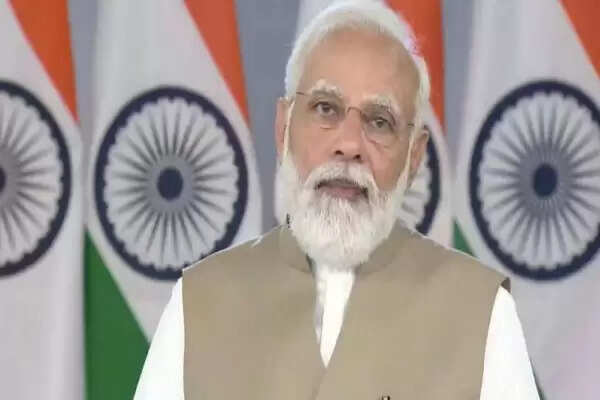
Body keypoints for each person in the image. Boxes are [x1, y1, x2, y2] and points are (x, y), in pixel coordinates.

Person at [134, 1, 540, 399]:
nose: (349, 145)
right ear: (284, 128)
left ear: (414, 156)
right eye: (326, 109)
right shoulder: (199, 302)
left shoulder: (481, 311)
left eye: (379, 121)